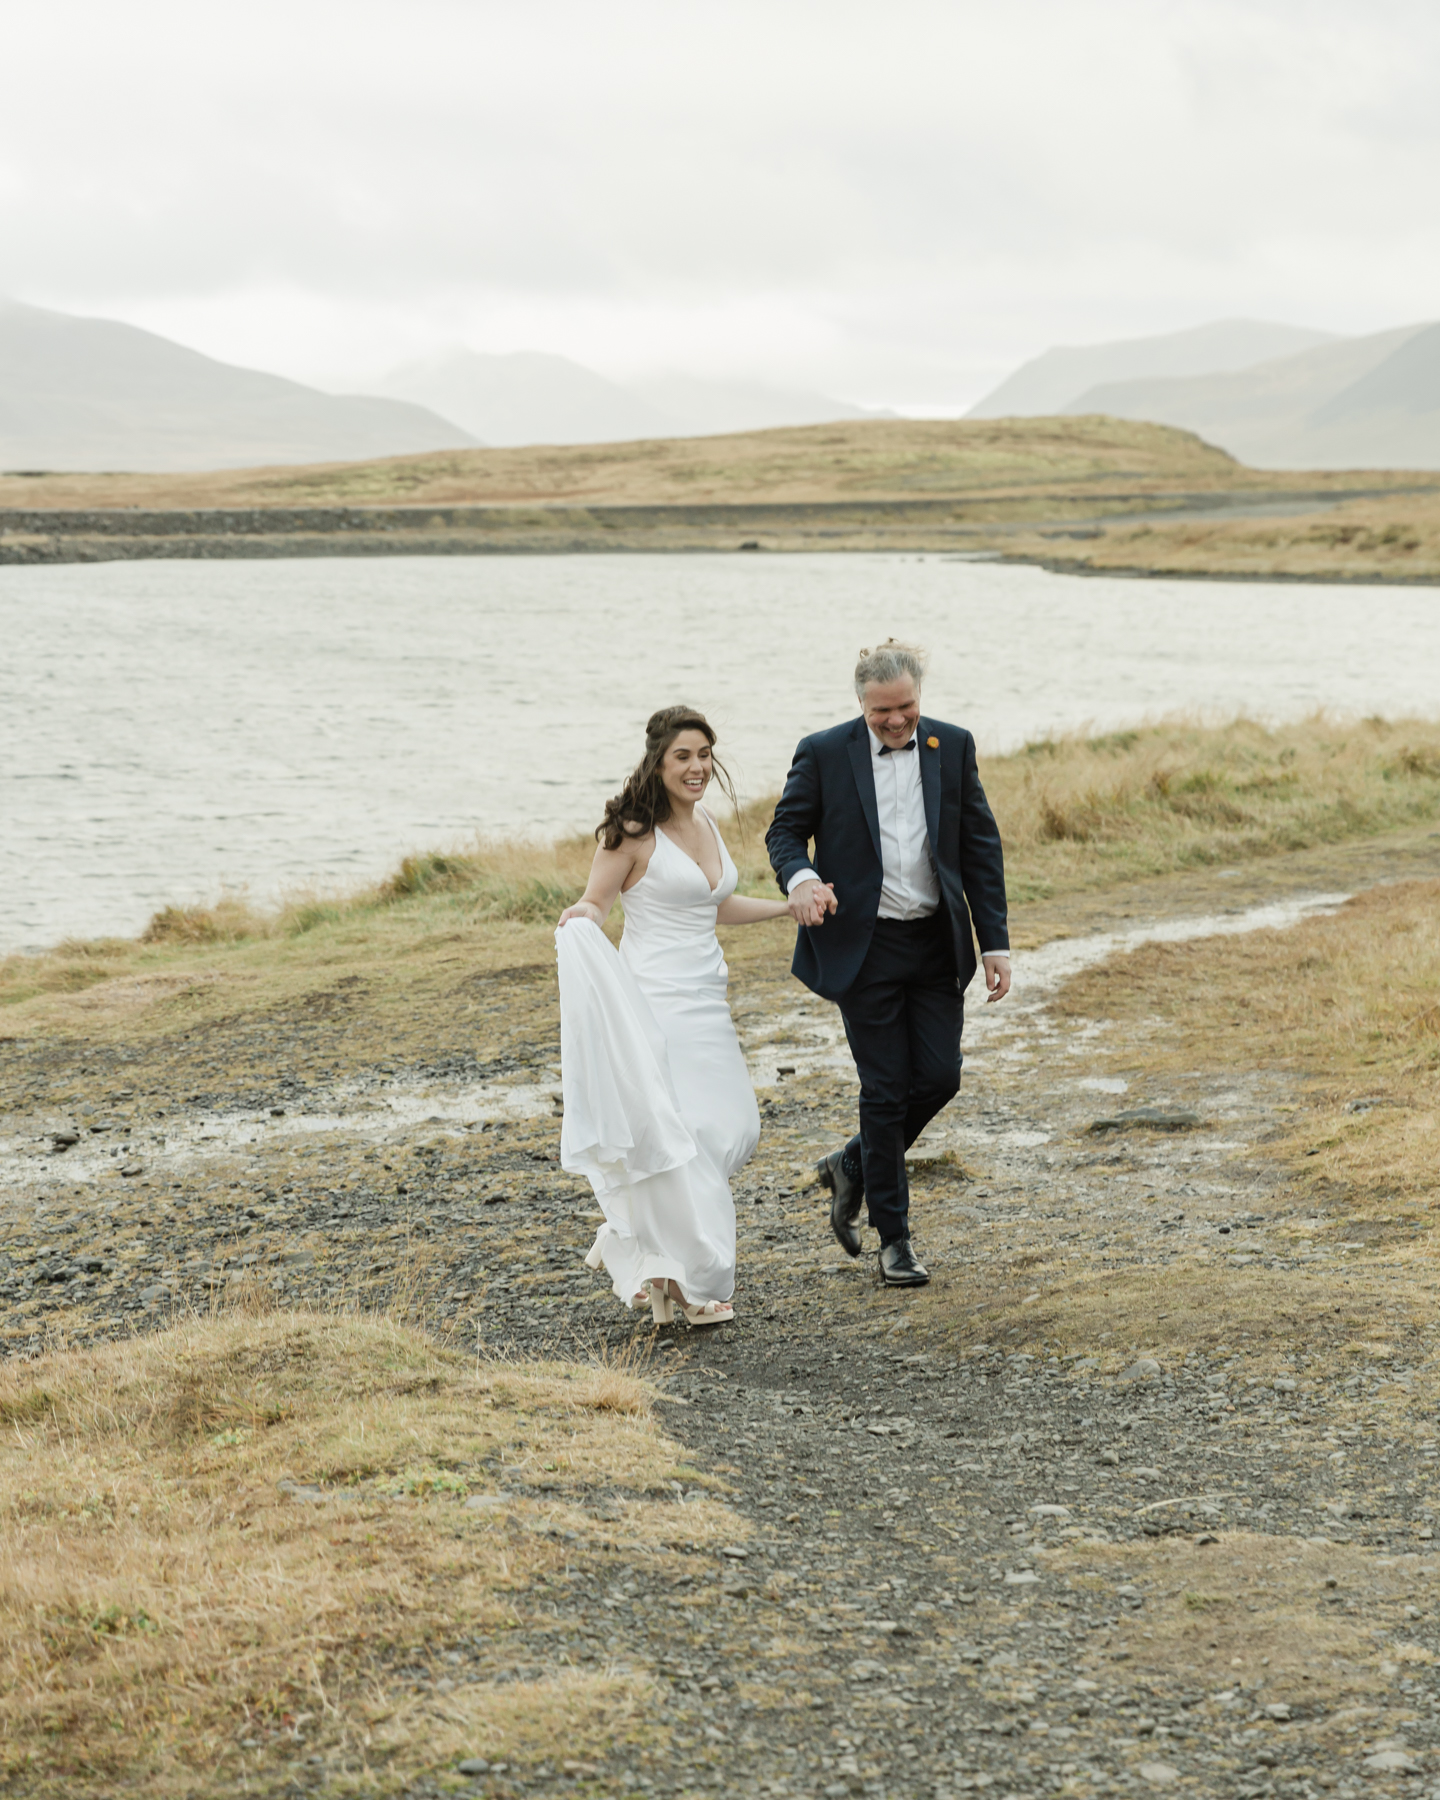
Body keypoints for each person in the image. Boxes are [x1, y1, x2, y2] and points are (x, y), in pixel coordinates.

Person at [765, 640, 1010, 1288]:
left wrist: (996, 944)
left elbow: (980, 845)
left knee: (940, 1077)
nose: (896, 721)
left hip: (935, 943)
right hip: (862, 947)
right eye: (882, 712)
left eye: (905, 707)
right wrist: (801, 879)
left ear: (918, 698)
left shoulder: (952, 746)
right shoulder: (822, 752)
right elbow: (785, 831)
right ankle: (893, 1240)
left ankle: (853, 1163)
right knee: (884, 1089)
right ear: (861, 705)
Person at [556, 705, 792, 1326]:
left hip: (705, 999)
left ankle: (642, 1252)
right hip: (654, 1002)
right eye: (682, 756)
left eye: (704, 755)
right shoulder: (633, 832)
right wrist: (582, 921)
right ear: (658, 762)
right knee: (682, 1137)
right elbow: (597, 902)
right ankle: (686, 1279)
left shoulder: (707, 822)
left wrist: (785, 910)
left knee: (732, 1126)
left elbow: (713, 904)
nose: (696, 767)